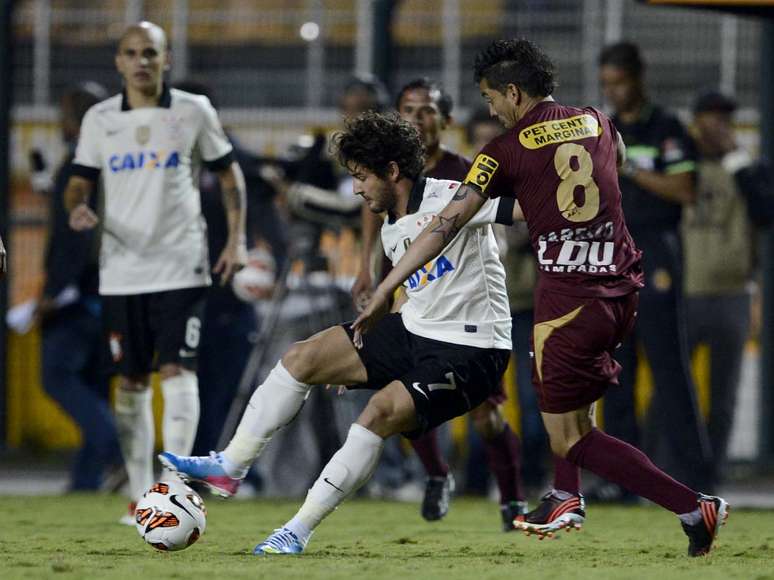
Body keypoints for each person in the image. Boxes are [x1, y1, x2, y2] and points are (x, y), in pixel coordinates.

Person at [355, 39, 728, 557]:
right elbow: (616, 160)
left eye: (490, 97)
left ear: (512, 91)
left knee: (570, 436)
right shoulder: (596, 119)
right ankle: (565, 494)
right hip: (620, 287)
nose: (489, 109)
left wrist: (386, 285)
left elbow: (445, 224)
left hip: (569, 298)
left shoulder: (501, 151)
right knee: (577, 412)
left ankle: (691, 505)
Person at [159, 111, 519, 555]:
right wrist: (365, 356)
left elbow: (524, 208)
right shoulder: (391, 221)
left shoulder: (453, 196)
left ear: (391, 170)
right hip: (416, 329)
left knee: (376, 415)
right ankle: (231, 465)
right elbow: (424, 289)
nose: (356, 189)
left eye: (362, 177)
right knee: (303, 356)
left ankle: (296, 530)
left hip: (472, 348)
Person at [63, 21, 247, 522]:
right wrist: (77, 207)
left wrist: (237, 239)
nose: (141, 61)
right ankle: (143, 491)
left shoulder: (193, 111)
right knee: (131, 382)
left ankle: (172, 488)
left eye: (150, 52)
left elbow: (229, 172)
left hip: (181, 264)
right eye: (131, 53)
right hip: (121, 270)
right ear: (118, 62)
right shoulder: (100, 120)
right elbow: (78, 181)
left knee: (177, 369)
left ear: (166, 59)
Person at [358, 80, 526, 529]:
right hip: (412, 295)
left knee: (487, 416)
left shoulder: (463, 170)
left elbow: (497, 223)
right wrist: (366, 273)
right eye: (408, 109)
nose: (417, 117)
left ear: (445, 120)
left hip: (465, 306)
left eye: (427, 110)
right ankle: (436, 474)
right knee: (399, 392)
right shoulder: (385, 172)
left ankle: (512, 499)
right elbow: (379, 225)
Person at [594, 41, 712, 499]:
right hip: (612, 257)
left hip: (658, 254)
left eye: (620, 83)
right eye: (607, 85)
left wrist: (630, 170)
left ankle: (696, 476)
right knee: (616, 371)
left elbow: (684, 188)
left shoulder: (667, 128)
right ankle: (624, 482)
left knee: (669, 368)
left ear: (639, 78)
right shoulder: (605, 129)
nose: (615, 93)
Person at [683, 90, 774, 488]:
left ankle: (711, 475)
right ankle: (665, 471)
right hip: (683, 293)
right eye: (710, 117)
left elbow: (765, 211)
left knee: (723, 398)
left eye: (724, 118)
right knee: (673, 391)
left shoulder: (750, 170)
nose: (717, 125)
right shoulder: (679, 165)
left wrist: (736, 159)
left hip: (733, 292)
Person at [36, 81, 122, 491]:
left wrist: (53, 293)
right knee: (94, 385)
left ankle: (114, 446)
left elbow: (75, 239)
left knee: (55, 375)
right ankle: (86, 483)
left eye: (65, 117)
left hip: (80, 296)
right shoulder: (117, 163)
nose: (61, 124)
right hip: (115, 292)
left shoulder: (77, 167)